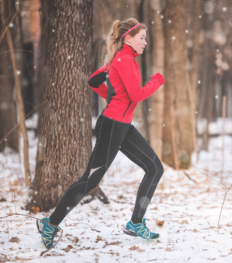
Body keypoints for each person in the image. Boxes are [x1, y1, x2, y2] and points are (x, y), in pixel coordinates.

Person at [37, 18, 165, 249]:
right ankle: (50, 223)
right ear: (128, 38)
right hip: (112, 126)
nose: (145, 43)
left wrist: (112, 94)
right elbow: (136, 95)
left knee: (155, 168)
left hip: (123, 126)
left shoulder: (123, 60)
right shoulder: (124, 60)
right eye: (142, 38)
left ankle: (136, 222)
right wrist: (156, 81)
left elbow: (94, 80)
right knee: (90, 180)